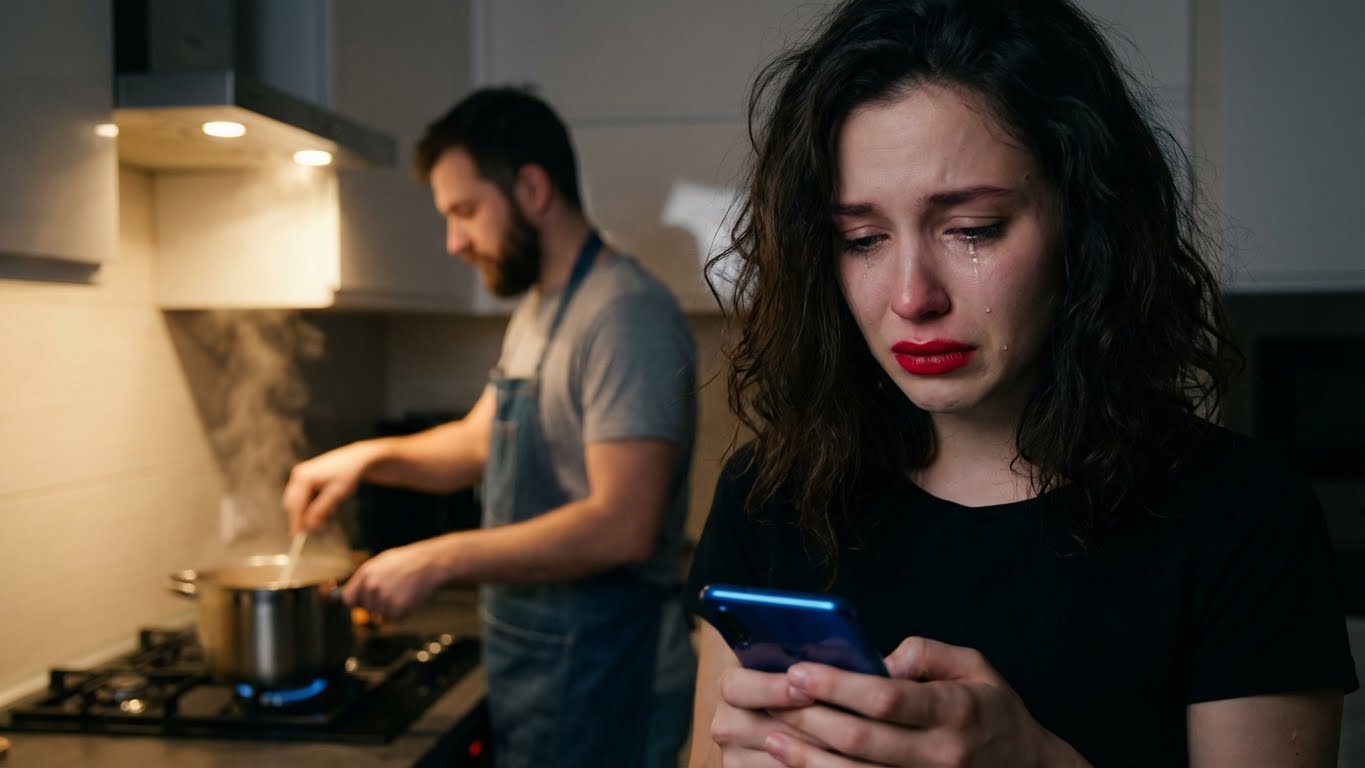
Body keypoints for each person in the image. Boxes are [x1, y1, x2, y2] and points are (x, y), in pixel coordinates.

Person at [684, 1, 1358, 766]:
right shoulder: (768, 496)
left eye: (971, 229)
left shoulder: (1240, 516)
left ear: (1086, 222)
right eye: (861, 240)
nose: (910, 297)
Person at [282, 87, 698, 768]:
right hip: (542, 663)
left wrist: (437, 557)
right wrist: (363, 458)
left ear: (532, 188)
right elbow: (481, 441)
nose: (454, 241)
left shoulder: (623, 314)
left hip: (606, 671)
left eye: (465, 212)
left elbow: (623, 523)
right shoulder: (543, 307)